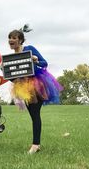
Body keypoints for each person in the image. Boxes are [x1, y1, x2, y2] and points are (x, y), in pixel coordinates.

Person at [8, 25, 62, 154]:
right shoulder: (12, 57)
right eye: (9, 38)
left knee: (35, 113)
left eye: (14, 38)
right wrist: (5, 71)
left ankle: (35, 145)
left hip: (37, 84)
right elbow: (14, 79)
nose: (11, 40)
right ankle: (36, 144)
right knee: (33, 115)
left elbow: (44, 63)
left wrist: (36, 59)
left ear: (20, 40)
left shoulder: (29, 49)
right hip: (24, 88)